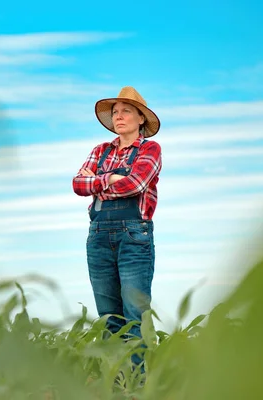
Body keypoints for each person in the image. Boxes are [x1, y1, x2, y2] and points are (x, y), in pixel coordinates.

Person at [72, 86, 162, 351]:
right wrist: (111, 178)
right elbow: (78, 185)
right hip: (98, 235)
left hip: (134, 234)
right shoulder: (100, 150)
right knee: (108, 316)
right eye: (115, 112)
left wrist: (96, 181)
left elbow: (135, 184)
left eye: (126, 111)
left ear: (141, 118)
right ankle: (116, 385)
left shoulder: (151, 149)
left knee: (135, 314)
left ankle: (139, 385)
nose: (118, 117)